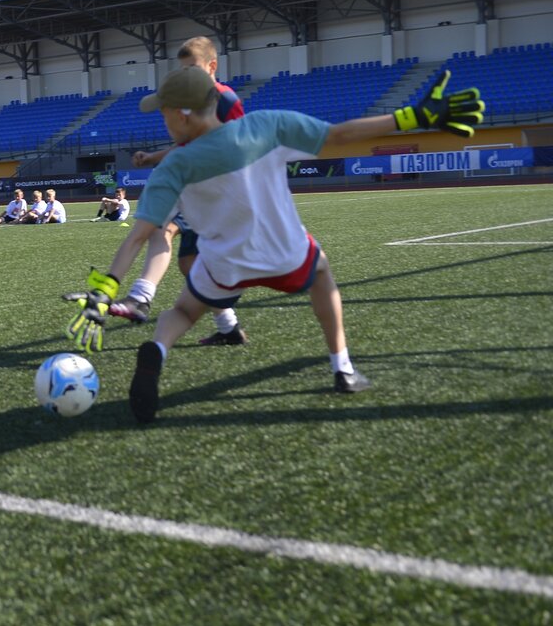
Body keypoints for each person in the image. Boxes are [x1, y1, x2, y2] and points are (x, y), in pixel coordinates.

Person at [65, 65, 482, 422]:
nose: (163, 121)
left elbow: (141, 234)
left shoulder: (174, 164)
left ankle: (156, 350)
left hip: (224, 265)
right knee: (322, 274)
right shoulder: (266, 126)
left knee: (183, 311)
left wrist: (106, 288)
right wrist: (411, 117)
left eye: (165, 113)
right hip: (286, 255)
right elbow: (339, 136)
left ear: (183, 115)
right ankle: (343, 369)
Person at [101, 36, 252, 347]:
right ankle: (229, 328)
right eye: (183, 70)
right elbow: (189, 142)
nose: (187, 75)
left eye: (193, 68)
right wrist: (155, 157)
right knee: (188, 263)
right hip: (200, 186)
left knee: (159, 229)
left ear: (212, 67)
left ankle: (140, 297)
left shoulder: (224, 98)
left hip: (213, 190)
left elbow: (234, 144)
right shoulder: (194, 100)